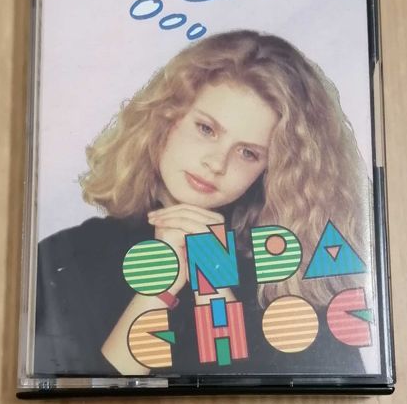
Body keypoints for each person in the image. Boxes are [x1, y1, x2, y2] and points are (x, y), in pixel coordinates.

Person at [35, 30, 370, 377]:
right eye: (207, 129)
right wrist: (157, 288)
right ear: (166, 117)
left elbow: (312, 395)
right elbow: (76, 397)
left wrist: (213, 277)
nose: (216, 163)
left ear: (272, 169)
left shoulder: (291, 268)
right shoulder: (67, 256)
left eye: (248, 153)